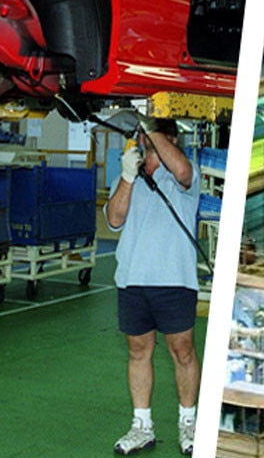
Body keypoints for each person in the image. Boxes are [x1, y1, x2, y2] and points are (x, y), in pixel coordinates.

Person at [106, 116, 201, 455]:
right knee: (138, 351)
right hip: (133, 280)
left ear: (169, 139)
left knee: (183, 352)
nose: (142, 142)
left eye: (148, 137)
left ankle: (189, 423)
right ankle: (142, 425)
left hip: (174, 280)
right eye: (141, 138)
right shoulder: (126, 178)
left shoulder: (183, 177)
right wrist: (129, 178)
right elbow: (114, 219)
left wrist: (153, 130)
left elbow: (184, 172)